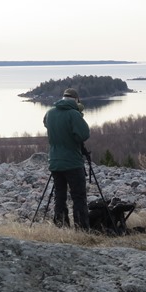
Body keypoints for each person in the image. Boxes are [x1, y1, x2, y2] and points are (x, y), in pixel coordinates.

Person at [43, 88, 91, 230]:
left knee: (59, 196)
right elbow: (83, 135)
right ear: (76, 100)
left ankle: (61, 227)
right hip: (72, 163)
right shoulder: (74, 114)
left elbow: (46, 124)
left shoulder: (50, 113)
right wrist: (79, 115)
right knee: (78, 197)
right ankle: (81, 229)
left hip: (55, 162)